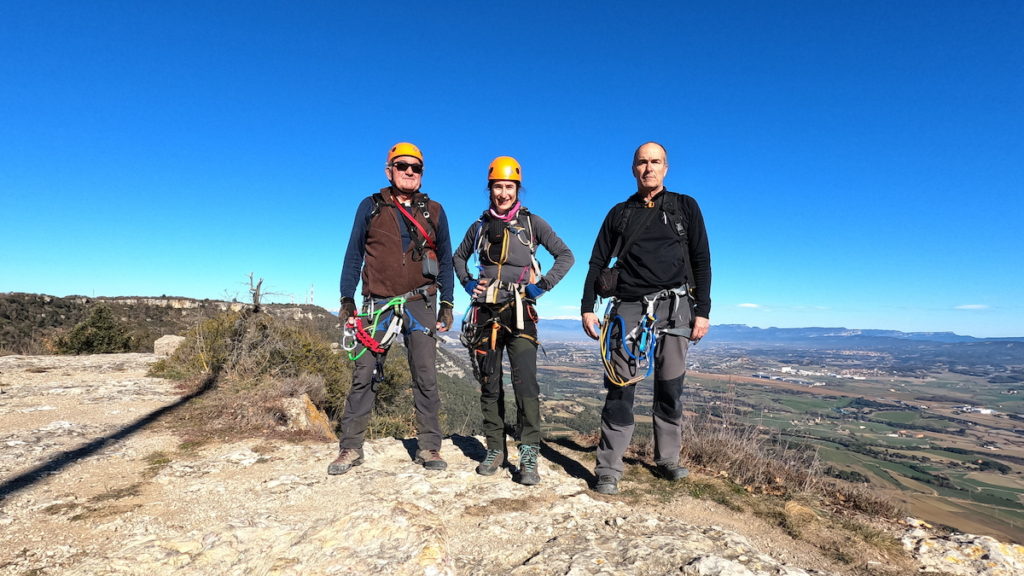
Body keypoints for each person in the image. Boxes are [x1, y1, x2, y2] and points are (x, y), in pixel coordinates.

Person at [580, 142, 712, 495]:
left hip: (677, 307)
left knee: (671, 388)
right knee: (620, 389)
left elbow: (701, 261)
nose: (648, 168)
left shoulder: (685, 207)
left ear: (666, 168)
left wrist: (703, 312)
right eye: (642, 162)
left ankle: (667, 460)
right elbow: (596, 262)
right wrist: (587, 306)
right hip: (628, 308)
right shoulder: (620, 213)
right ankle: (609, 467)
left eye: (655, 162)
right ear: (633, 168)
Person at [328, 142, 456, 475]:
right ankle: (350, 447)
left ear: (422, 174)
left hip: (421, 302)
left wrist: (448, 303)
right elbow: (354, 254)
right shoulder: (370, 207)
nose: (409, 172)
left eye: (416, 168)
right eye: (402, 166)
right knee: (364, 375)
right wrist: (346, 297)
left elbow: (445, 262)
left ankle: (429, 447)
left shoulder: (436, 211)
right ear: (389, 171)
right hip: (377, 305)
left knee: (426, 376)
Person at [453, 156, 574, 485]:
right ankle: (495, 448)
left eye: (508, 187)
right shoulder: (478, 227)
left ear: (516, 189)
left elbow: (566, 256)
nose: (502, 193)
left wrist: (540, 286)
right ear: (489, 189)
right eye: (497, 186)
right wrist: (466, 283)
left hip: (521, 312)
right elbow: (457, 257)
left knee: (525, 386)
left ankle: (529, 452)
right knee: (489, 384)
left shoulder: (533, 224)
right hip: (485, 314)